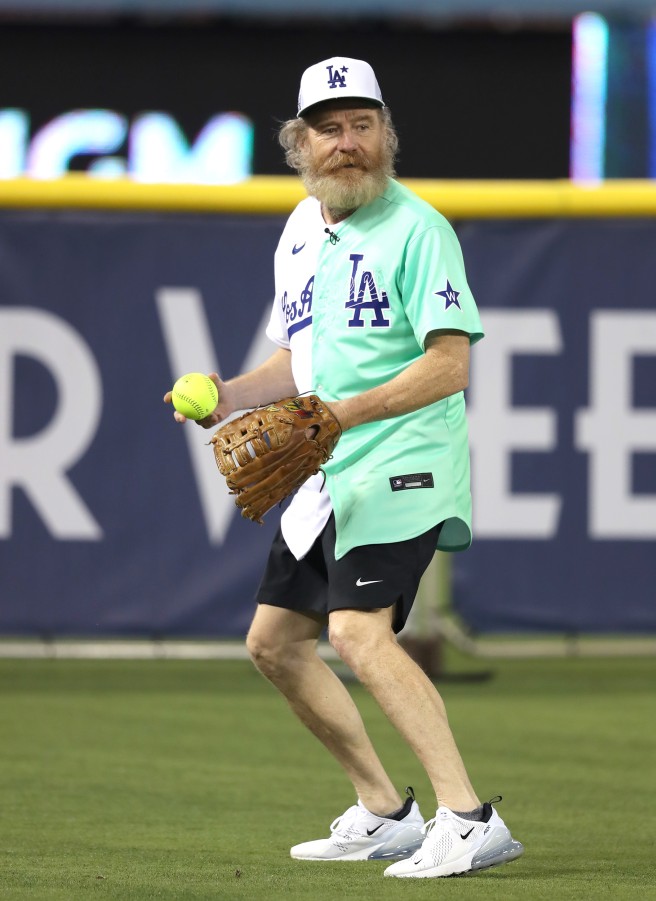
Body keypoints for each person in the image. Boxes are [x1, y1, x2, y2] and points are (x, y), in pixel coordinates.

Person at [166, 56, 523, 879]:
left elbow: (449, 365)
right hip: (329, 472)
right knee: (274, 641)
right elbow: (298, 363)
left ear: (387, 135)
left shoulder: (419, 228)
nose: (349, 142)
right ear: (300, 144)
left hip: (403, 458)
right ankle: (383, 809)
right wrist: (224, 394)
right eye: (330, 128)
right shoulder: (300, 230)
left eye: (364, 125)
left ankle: (468, 819)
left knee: (358, 633)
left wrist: (344, 412)